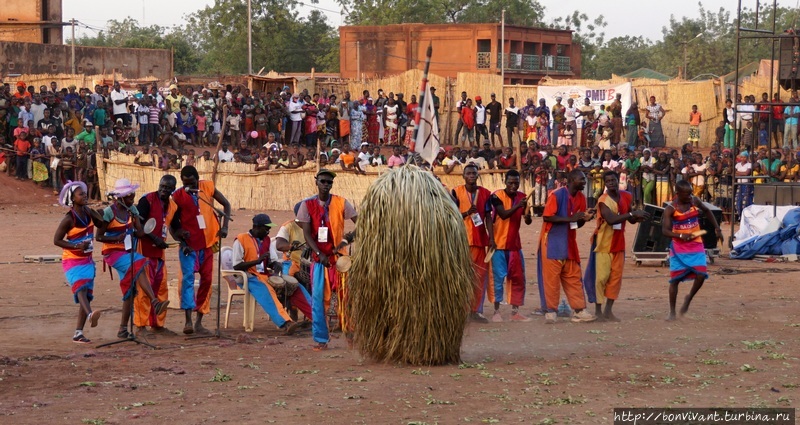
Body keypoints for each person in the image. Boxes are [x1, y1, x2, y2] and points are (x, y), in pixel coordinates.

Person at [96, 179, 170, 339]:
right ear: (120, 197)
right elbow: (99, 237)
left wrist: (145, 227)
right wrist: (117, 238)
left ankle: (123, 329)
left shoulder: (132, 210)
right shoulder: (109, 212)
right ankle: (155, 301)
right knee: (140, 262)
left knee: (130, 291)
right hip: (112, 253)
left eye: (133, 196)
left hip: (127, 251)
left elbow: (140, 232)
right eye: (129, 197)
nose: (132, 199)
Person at [297, 169, 358, 351]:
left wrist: (351, 237)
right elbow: (307, 234)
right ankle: (321, 339)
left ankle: (350, 334)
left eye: (329, 182)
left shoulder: (341, 202)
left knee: (345, 298)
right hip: (318, 260)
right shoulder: (306, 205)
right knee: (317, 300)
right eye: (323, 181)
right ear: (316, 182)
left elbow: (361, 222)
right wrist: (319, 253)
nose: (326, 185)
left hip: (339, 260)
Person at [169, 166, 232, 335]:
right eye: (185, 183)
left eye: (192, 182)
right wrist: (180, 239)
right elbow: (172, 224)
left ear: (197, 179)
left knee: (207, 281)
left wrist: (225, 227)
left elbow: (226, 204)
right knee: (188, 281)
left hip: (208, 244)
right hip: (189, 246)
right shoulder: (176, 196)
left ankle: (199, 322)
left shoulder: (207, 187)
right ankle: (188, 322)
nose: (188, 186)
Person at [584, 171, 650, 321]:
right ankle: (598, 311)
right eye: (608, 181)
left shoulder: (626, 196)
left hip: (618, 242)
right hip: (603, 243)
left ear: (618, 180)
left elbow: (630, 217)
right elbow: (611, 219)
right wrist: (632, 215)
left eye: (613, 180)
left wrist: (639, 217)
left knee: (615, 278)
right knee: (601, 277)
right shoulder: (603, 200)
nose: (611, 183)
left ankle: (608, 310)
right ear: (605, 183)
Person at [232, 214, 310, 335]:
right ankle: (285, 323)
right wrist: (257, 261)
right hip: (249, 277)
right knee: (268, 292)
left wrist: (275, 265)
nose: (268, 231)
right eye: (266, 228)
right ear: (256, 227)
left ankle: (317, 318)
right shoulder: (241, 239)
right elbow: (236, 265)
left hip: (265, 275)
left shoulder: (267, 240)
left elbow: (271, 261)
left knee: (295, 286)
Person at [537, 170, 596, 324]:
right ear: (571, 180)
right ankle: (551, 310)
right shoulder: (556, 195)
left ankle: (579, 309)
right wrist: (570, 218)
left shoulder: (581, 198)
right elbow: (547, 216)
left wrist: (585, 218)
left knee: (574, 277)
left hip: (569, 241)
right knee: (552, 279)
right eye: (581, 179)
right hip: (553, 240)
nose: (584, 181)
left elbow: (577, 223)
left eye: (584, 179)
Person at [662, 180, 723, 321]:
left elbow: (707, 211)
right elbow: (665, 231)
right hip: (679, 247)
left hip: (696, 244)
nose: (691, 196)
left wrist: (717, 229)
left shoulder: (695, 201)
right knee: (675, 280)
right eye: (687, 194)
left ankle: (689, 298)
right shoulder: (670, 209)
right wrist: (680, 235)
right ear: (678, 194)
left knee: (701, 274)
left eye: (691, 193)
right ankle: (672, 312)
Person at [53, 181, 104, 343]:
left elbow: (101, 224)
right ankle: (90, 315)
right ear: (72, 198)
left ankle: (78, 333)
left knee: (86, 296)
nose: (85, 196)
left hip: (87, 260)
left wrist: (96, 212)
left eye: (84, 193)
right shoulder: (69, 219)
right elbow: (57, 240)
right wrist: (76, 245)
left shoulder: (88, 212)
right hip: (72, 260)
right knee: (81, 288)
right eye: (81, 194)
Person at [133, 175, 179, 336]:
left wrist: (184, 239)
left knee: (160, 288)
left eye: (167, 188)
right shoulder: (147, 200)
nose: (163, 190)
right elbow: (138, 224)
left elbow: (173, 227)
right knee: (143, 289)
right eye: (162, 186)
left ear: (173, 189)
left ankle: (157, 324)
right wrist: (154, 238)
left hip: (160, 253)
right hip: (143, 251)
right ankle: (140, 326)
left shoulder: (173, 206)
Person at [452, 164, 495, 323]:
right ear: (463, 176)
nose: (471, 175)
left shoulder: (484, 193)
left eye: (474, 173)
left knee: (479, 277)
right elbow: (452, 215)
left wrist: (491, 238)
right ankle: (460, 310)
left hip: (479, 241)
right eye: (468, 173)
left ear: (477, 175)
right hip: (461, 241)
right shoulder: (456, 192)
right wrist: (467, 213)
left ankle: (476, 310)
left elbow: (488, 217)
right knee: (462, 276)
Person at [488, 169, 532, 322]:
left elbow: (527, 220)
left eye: (516, 183)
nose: (513, 186)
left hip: (514, 245)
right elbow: (503, 214)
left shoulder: (523, 197)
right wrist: (519, 206)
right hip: (499, 244)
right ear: (505, 182)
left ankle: (515, 311)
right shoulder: (496, 196)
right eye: (510, 183)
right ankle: (496, 311)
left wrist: (526, 214)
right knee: (497, 279)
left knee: (517, 278)